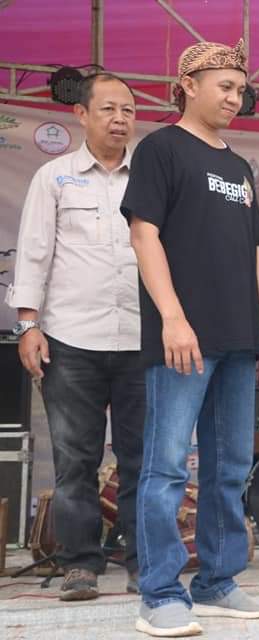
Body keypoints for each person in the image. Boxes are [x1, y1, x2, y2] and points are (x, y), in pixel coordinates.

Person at [121, 39, 259, 638]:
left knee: (230, 465)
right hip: (183, 338)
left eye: (241, 89)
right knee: (166, 468)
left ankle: (216, 582)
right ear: (188, 84)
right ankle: (159, 593)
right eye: (225, 86)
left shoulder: (239, 167)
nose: (236, 98)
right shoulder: (161, 149)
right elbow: (144, 236)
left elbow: (253, 253)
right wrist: (172, 316)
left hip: (239, 336)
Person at [5, 72, 143, 601]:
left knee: (140, 458)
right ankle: (81, 564)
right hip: (71, 339)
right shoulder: (55, 177)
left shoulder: (150, 178)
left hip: (139, 340)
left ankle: (140, 562)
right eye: (108, 109)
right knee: (76, 459)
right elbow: (34, 250)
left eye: (129, 110)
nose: (120, 119)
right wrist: (28, 324)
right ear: (82, 116)